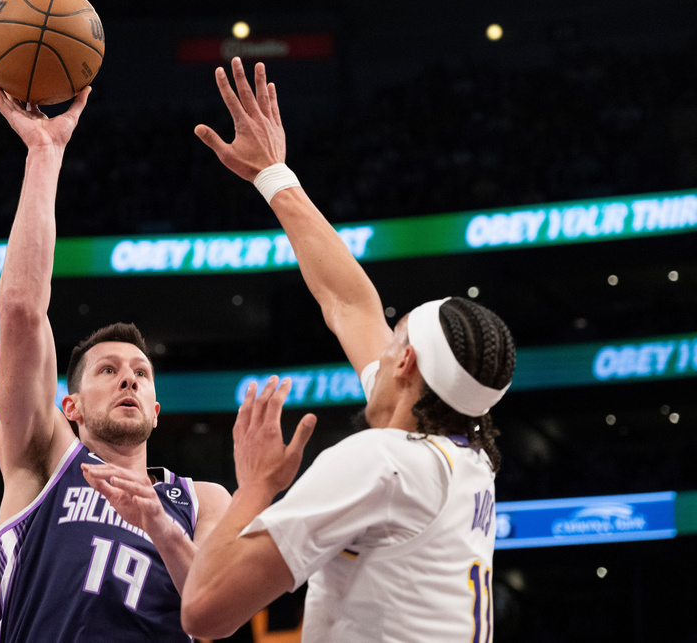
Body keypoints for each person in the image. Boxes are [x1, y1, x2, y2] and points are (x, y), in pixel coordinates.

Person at [180, 58, 516, 642]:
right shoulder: (460, 454)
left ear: (406, 362)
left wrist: (257, 485)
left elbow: (205, 611)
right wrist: (274, 175)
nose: (382, 345)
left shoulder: (384, 463)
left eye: (397, 337)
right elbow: (349, 303)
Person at [0, 77, 231, 643]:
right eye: (109, 370)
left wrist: (161, 529)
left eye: (141, 374)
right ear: (69, 405)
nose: (129, 378)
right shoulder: (44, 459)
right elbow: (22, 310)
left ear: (156, 408)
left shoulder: (201, 500)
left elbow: (214, 618)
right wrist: (45, 154)